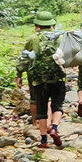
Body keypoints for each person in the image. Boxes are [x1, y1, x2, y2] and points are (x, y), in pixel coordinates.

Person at [15, 10, 65, 149]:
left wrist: (19, 74)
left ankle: (43, 141)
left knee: (42, 109)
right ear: (52, 25)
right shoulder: (60, 38)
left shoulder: (32, 39)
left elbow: (24, 58)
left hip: (37, 79)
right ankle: (54, 127)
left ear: (37, 25)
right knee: (57, 105)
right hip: (58, 77)